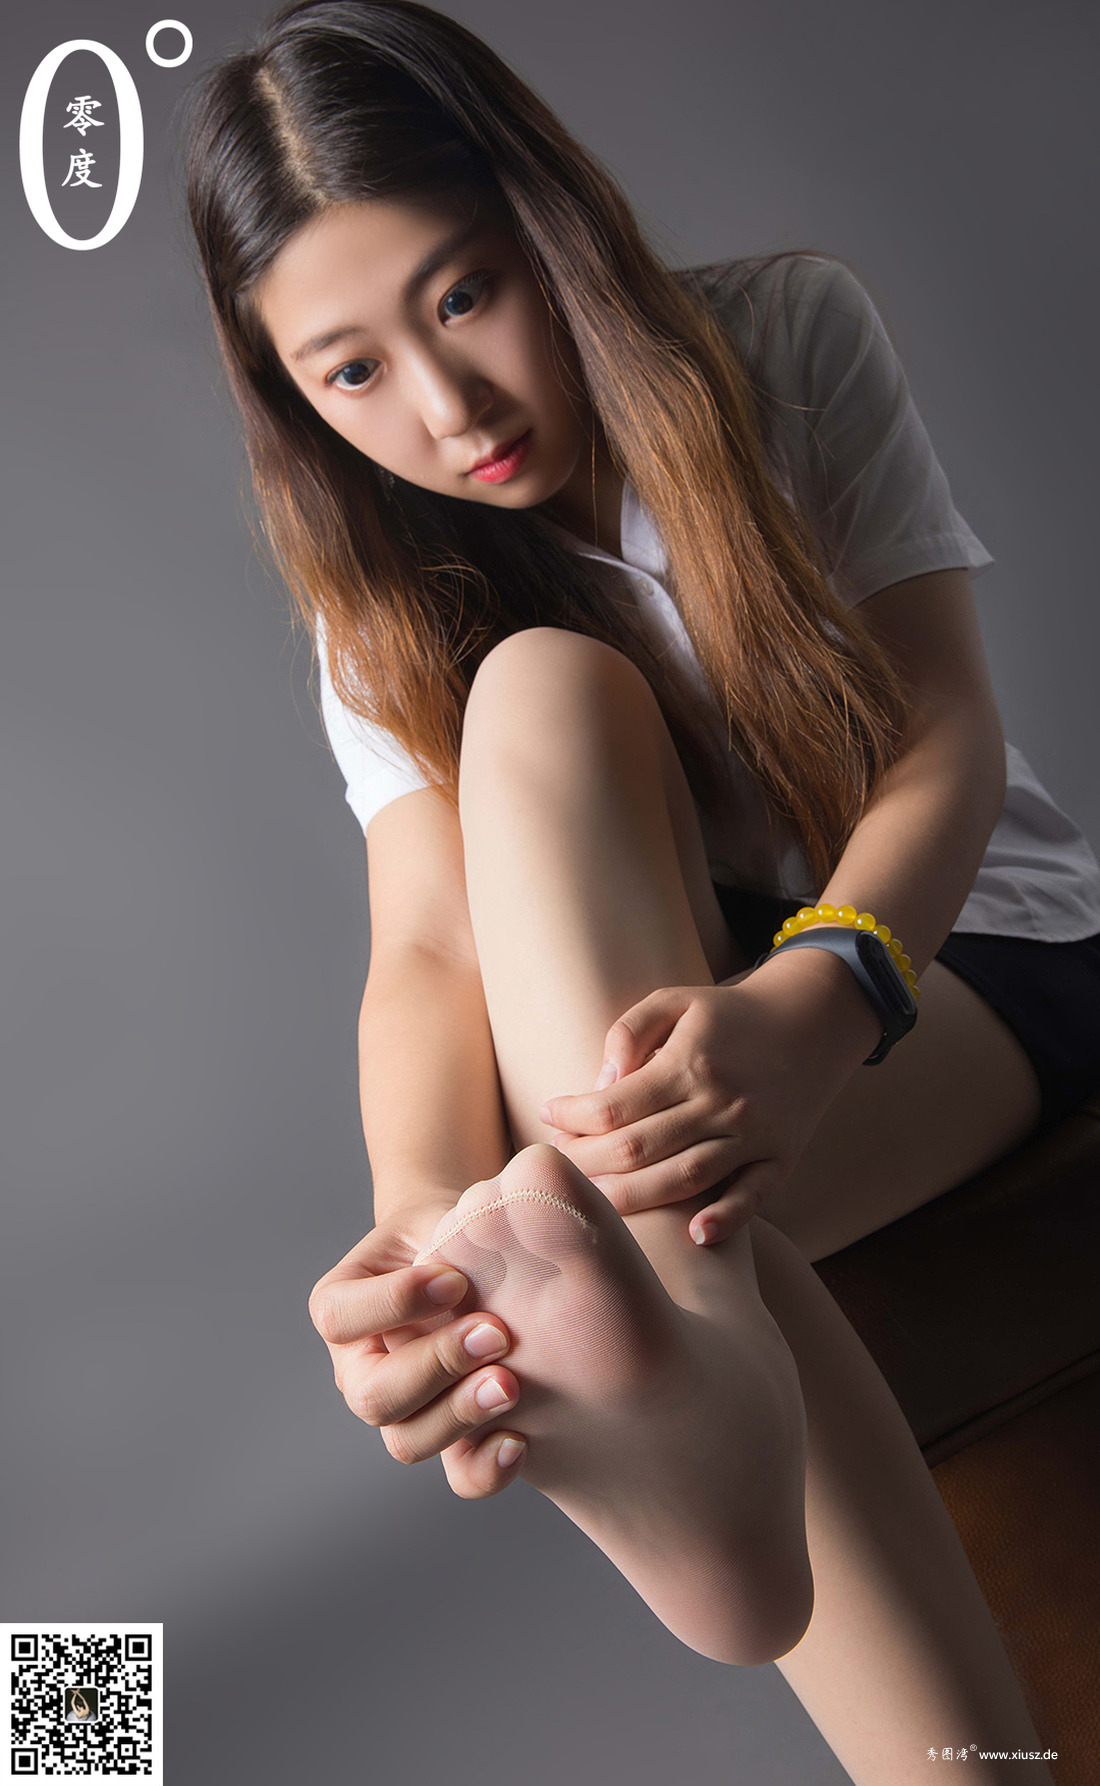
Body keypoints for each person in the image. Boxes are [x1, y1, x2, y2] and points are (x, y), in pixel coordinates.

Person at [183, 2, 1100, 1777]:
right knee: (537, 701)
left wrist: (817, 1000)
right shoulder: (374, 589)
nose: (448, 408)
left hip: (965, 956)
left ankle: (690, 1385)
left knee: (658, 1197)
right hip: (647, 1041)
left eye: (464, 294)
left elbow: (947, 734)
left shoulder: (783, 339)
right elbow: (427, 944)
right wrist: (430, 1237)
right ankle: (685, 1367)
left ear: (546, 220)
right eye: (352, 372)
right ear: (290, 396)